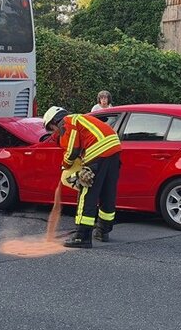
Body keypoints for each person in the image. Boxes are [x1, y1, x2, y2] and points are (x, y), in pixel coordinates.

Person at [44, 106, 122, 248]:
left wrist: (65, 165)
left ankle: (82, 237)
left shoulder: (68, 121)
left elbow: (73, 150)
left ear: (54, 121)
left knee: (87, 193)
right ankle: (103, 231)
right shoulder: (81, 118)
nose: (55, 132)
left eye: (51, 128)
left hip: (98, 151)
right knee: (107, 193)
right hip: (114, 150)